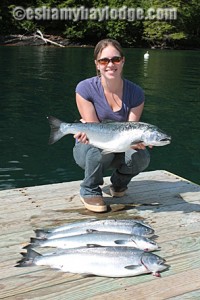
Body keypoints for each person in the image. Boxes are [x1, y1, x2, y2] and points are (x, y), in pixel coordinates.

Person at [73, 39, 150, 213]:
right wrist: (84, 132)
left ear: (122, 61)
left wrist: (137, 141)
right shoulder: (84, 88)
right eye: (103, 61)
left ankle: (118, 184)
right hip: (89, 147)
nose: (110, 65)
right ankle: (89, 189)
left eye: (115, 59)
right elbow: (94, 131)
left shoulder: (136, 92)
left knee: (141, 156)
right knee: (97, 150)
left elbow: (132, 128)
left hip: (121, 145)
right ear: (97, 64)